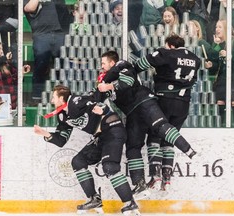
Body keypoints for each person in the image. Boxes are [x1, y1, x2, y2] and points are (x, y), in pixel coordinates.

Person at [97, 50, 197, 199]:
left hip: (144, 101)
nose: (101, 66)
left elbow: (128, 82)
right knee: (132, 147)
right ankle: (140, 185)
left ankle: (187, 149)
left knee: (160, 126)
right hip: (132, 113)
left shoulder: (121, 65)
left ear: (112, 63)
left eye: (103, 63)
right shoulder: (105, 79)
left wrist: (109, 87)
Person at [34, 85, 140, 215]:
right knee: (78, 162)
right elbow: (61, 140)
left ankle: (130, 203)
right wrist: (45, 134)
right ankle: (94, 199)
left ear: (62, 98)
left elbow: (96, 98)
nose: (51, 101)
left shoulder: (75, 101)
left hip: (113, 129)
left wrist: (104, 109)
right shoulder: (62, 115)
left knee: (110, 167)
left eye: (53, 97)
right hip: (100, 136)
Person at [134, 34, 201, 191]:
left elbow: (143, 62)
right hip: (183, 105)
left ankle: (155, 175)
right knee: (168, 141)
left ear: (170, 45)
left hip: (165, 100)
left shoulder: (167, 53)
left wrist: (133, 70)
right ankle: (167, 179)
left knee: (154, 136)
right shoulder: (195, 59)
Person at [23, 0, 71, 103]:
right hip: (42, 34)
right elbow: (29, 8)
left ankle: (63, 97)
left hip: (59, 32)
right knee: (41, 65)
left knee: (62, 67)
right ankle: (37, 97)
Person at [209, 20, 234, 127]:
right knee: (220, 105)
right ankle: (221, 129)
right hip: (221, 81)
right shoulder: (219, 43)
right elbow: (214, 60)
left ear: (226, 28)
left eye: (220, 27)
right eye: (216, 27)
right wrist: (211, 64)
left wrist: (229, 57)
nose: (217, 29)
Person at [0, 40, 31, 109]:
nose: (1, 51)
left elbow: (15, 81)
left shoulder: (7, 64)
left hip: (10, 101)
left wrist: (22, 72)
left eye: (2, 49)